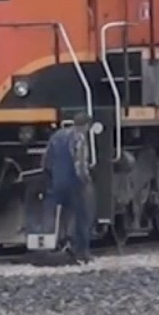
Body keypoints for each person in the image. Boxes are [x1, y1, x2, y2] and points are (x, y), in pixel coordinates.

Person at [41, 112, 94, 263]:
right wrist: (85, 180)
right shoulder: (79, 139)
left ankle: (56, 245)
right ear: (86, 125)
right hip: (74, 183)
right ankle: (82, 252)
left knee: (59, 214)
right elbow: (80, 164)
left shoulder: (57, 136)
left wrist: (50, 176)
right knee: (82, 217)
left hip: (57, 182)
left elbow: (46, 160)